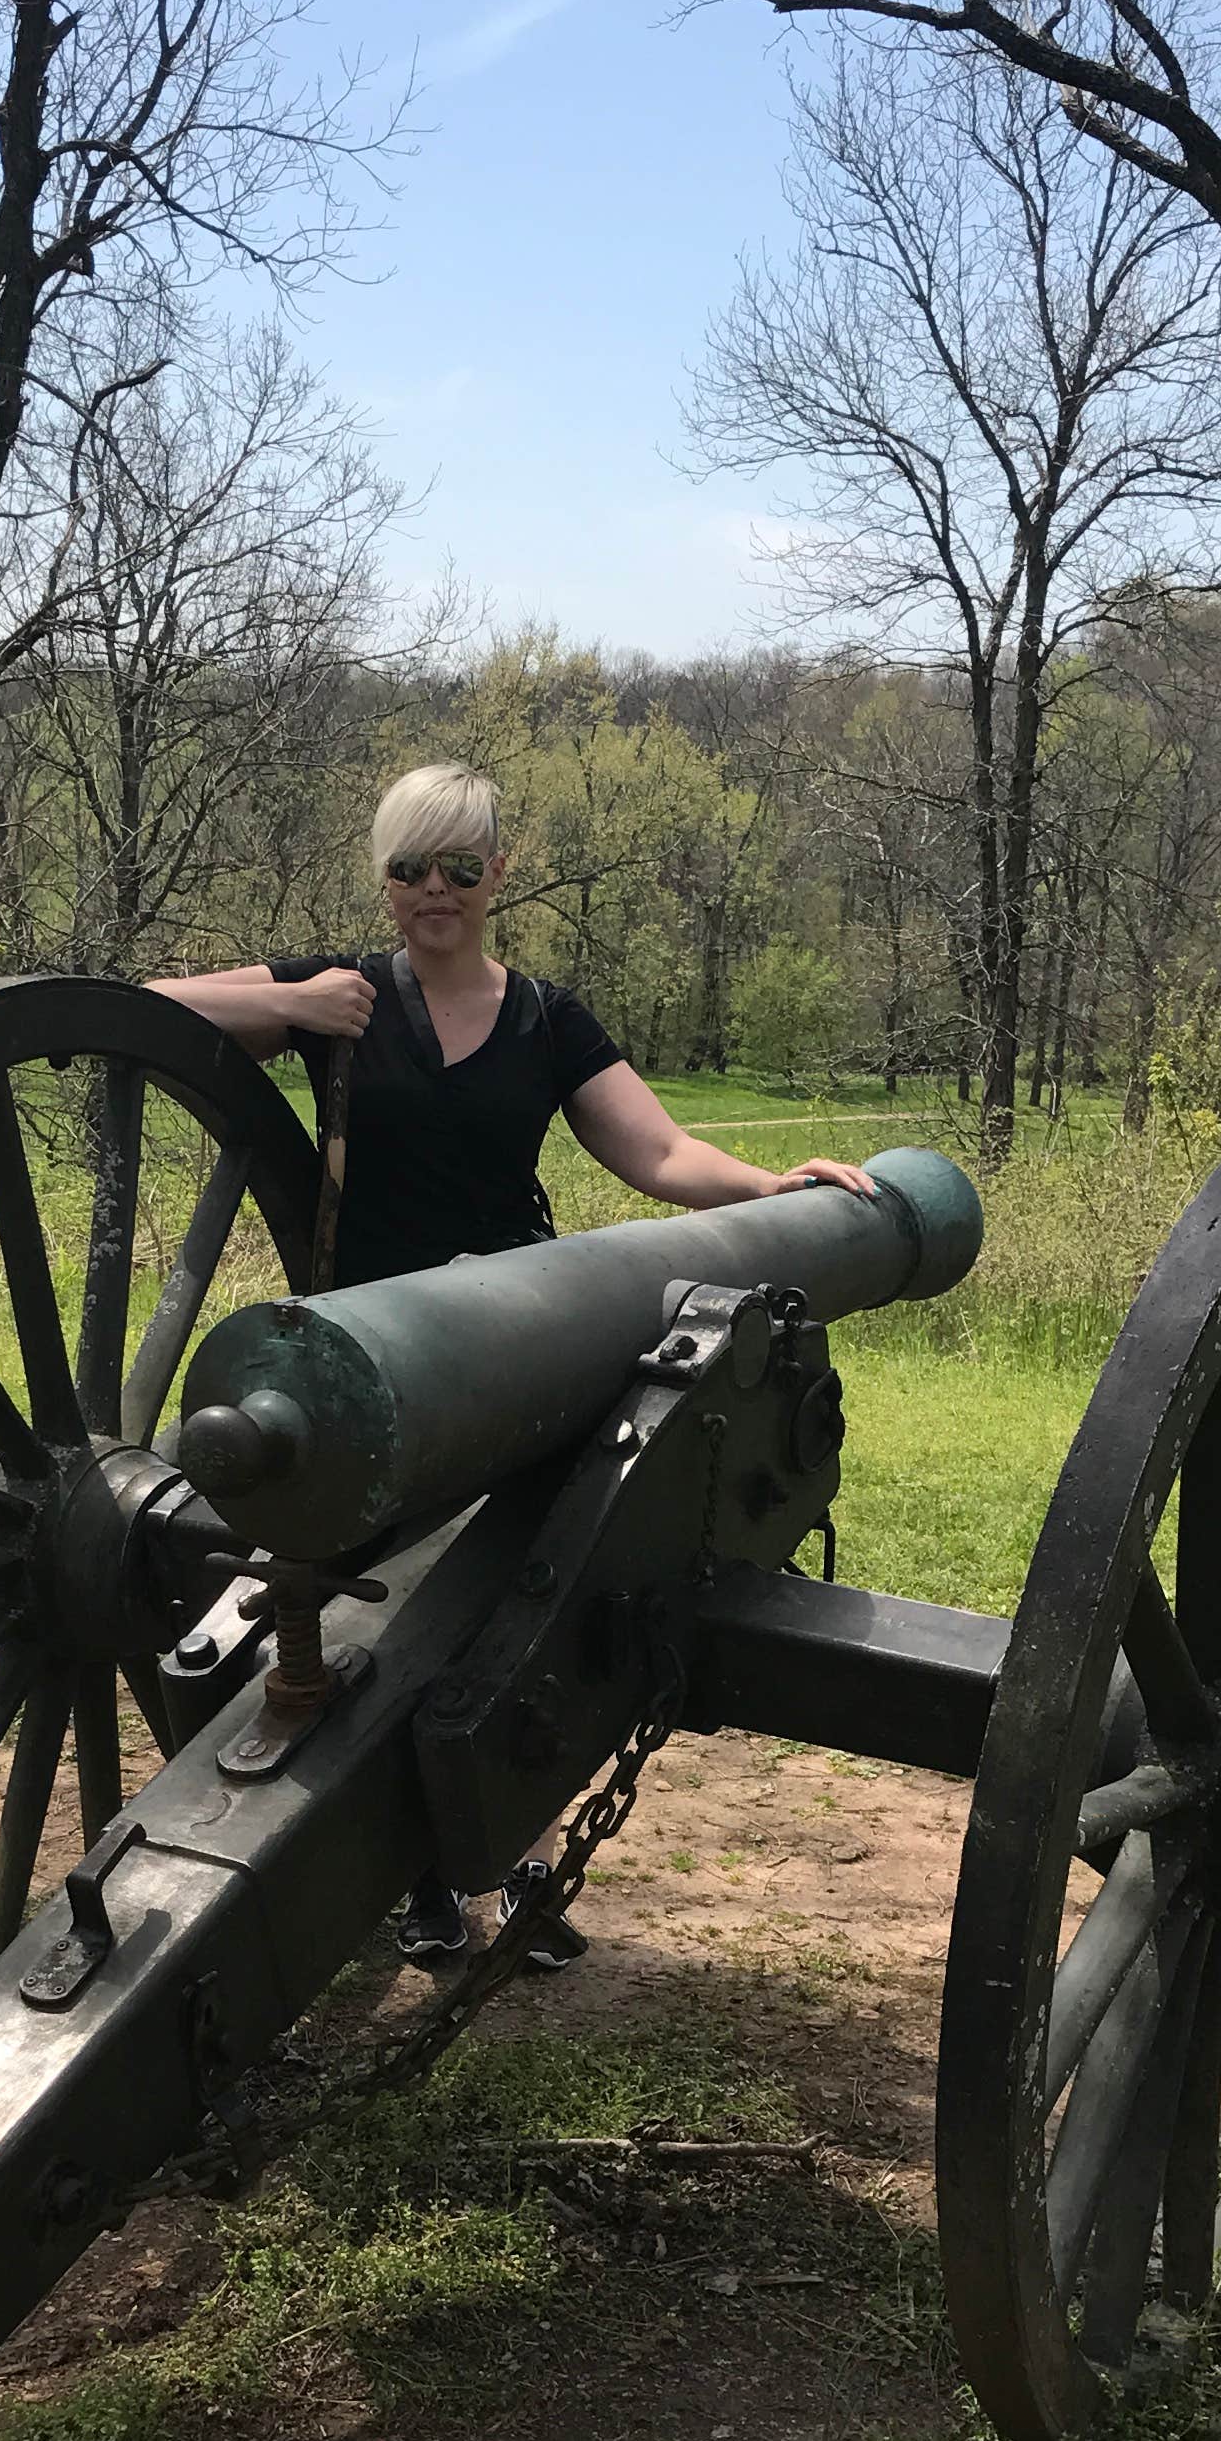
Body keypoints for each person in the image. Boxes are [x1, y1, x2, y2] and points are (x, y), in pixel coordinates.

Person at [156, 764, 880, 1962]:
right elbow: (149, 1006)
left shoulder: (547, 1020)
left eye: (455, 867)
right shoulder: (340, 992)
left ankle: (528, 1869)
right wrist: (291, 1012)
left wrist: (773, 1187)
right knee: (368, 1602)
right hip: (371, 1338)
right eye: (406, 869)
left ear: (499, 871)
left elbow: (656, 1151)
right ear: (383, 879)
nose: (431, 891)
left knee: (517, 1600)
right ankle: (420, 1875)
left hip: (521, 1343)